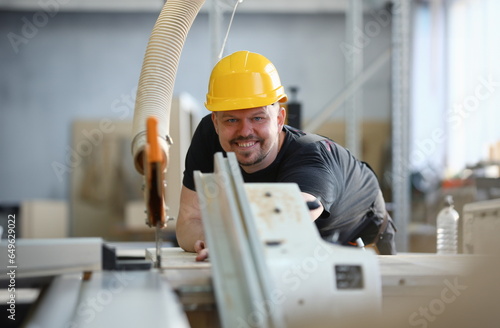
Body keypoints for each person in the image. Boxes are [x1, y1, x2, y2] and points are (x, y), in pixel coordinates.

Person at [176, 50, 396, 260]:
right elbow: (188, 221)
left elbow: (288, 222)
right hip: (296, 247)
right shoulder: (208, 136)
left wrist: (228, 244)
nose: (244, 131)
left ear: (280, 119)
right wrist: (209, 240)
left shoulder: (311, 159)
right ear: (215, 122)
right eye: (231, 120)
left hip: (361, 240)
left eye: (258, 118)